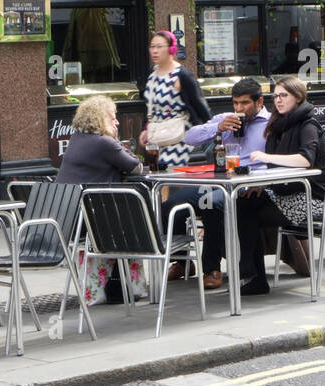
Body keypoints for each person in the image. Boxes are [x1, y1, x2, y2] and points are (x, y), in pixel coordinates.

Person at [162, 78, 270, 288]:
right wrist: (218, 127)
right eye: (236, 103)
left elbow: (275, 158)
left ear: (259, 102)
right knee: (171, 205)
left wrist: (261, 180)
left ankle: (211, 269)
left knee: (211, 203)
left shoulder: (271, 123)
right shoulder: (226, 119)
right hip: (220, 178)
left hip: (246, 184)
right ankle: (182, 262)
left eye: (245, 103)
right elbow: (190, 138)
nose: (239, 108)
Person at [236, 75, 325, 295]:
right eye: (275, 96)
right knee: (244, 200)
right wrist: (263, 184)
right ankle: (252, 272)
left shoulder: (308, 124)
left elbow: (305, 160)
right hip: (285, 191)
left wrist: (265, 157)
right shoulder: (278, 125)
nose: (278, 100)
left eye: (284, 95)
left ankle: (252, 271)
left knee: (250, 214)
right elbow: (279, 168)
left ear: (298, 97)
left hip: (310, 197)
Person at [56, 94, 147, 305]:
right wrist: (116, 141)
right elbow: (136, 166)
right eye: (112, 118)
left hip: (67, 216)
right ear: (99, 120)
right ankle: (123, 287)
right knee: (133, 226)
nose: (116, 122)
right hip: (89, 221)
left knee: (123, 222)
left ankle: (116, 286)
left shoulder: (77, 140)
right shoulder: (104, 143)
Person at [139, 29, 210, 172]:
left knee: (168, 172)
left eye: (159, 47)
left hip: (179, 136)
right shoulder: (152, 73)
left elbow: (199, 105)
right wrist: (145, 128)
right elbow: (149, 106)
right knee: (157, 172)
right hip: (157, 134)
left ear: (171, 49)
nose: (155, 51)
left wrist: (212, 129)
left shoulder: (182, 75)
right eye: (152, 47)